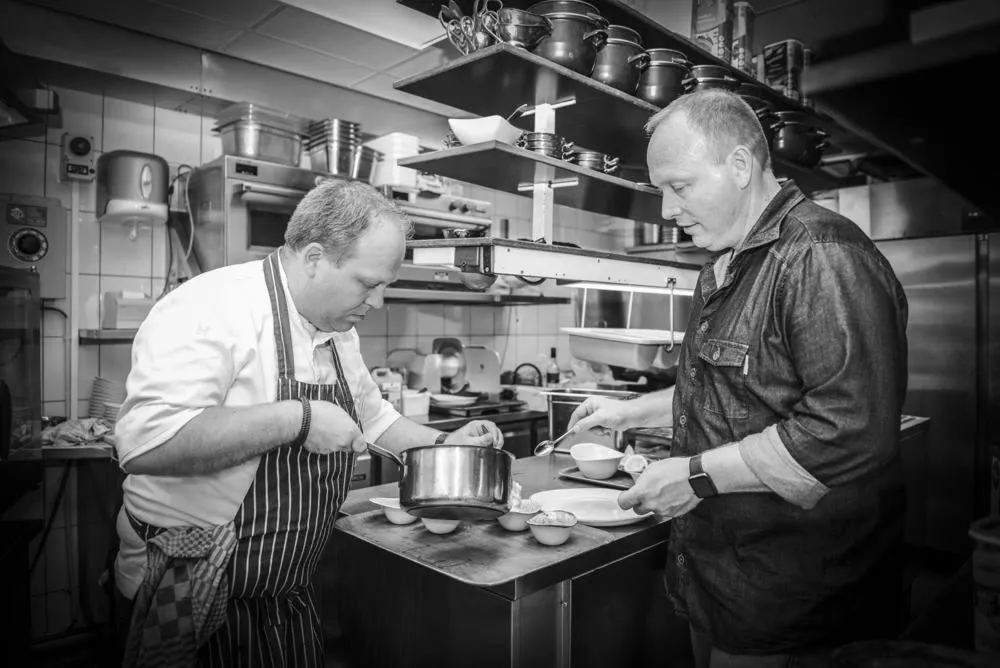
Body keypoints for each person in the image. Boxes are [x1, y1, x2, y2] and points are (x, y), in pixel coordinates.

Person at [569, 90, 909, 666]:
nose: (667, 209)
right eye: (660, 192)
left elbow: (849, 430)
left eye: (679, 186)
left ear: (742, 165)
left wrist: (696, 476)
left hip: (793, 594)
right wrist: (631, 412)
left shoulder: (820, 255)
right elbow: (726, 384)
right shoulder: (723, 266)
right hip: (720, 578)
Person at [112, 178, 504, 667]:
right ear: (315, 257)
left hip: (286, 590)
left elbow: (374, 418)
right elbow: (145, 445)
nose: (378, 303)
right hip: (194, 588)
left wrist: (448, 444)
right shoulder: (210, 308)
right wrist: (296, 418)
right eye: (368, 283)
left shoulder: (336, 327)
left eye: (386, 286)